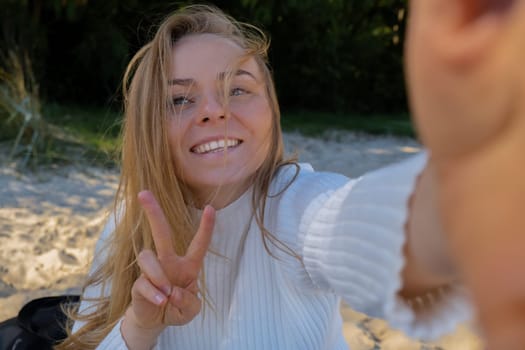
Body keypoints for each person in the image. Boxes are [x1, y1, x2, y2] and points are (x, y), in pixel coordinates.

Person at [56, 4, 478, 350]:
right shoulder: (128, 225)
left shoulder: (299, 202)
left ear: (271, 111)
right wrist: (140, 326)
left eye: (237, 89)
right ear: (150, 128)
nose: (214, 111)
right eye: (181, 99)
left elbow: (363, 224)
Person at [406, 0, 525, 348]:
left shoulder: (294, 200)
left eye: (242, 89)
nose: (232, 111)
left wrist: (457, 195)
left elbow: (338, 227)